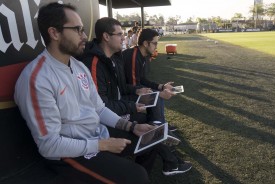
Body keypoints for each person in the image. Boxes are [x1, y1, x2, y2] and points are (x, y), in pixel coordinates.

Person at [14, 3, 157, 184]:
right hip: (67, 154)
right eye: (78, 30)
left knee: (149, 141)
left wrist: (131, 126)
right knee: (137, 176)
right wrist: (102, 145)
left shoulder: (78, 65)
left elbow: (99, 108)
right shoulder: (36, 79)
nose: (84, 36)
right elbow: (49, 145)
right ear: (54, 33)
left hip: (95, 135)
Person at [80, 17, 192, 176]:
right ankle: (167, 155)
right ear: (106, 36)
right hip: (105, 119)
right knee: (150, 129)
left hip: (119, 106)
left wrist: (139, 91)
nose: (124, 38)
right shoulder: (94, 62)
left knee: (151, 124)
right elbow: (100, 107)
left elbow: (123, 86)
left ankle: (162, 144)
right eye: (119, 34)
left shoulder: (114, 57)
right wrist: (132, 106)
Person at [122, 28, 178, 129]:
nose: (156, 47)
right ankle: (158, 126)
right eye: (155, 43)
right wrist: (158, 93)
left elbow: (142, 80)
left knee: (156, 94)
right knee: (157, 96)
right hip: (122, 95)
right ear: (145, 43)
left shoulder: (142, 55)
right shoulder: (133, 56)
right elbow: (135, 87)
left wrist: (161, 86)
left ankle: (158, 123)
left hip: (130, 89)